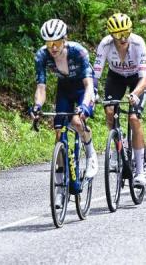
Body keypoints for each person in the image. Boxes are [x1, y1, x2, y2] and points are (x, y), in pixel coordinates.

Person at [30, 19, 97, 208]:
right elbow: (41, 88)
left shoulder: (78, 51)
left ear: (64, 40)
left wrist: (84, 106)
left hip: (84, 86)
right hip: (65, 88)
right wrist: (37, 106)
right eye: (49, 43)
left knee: (76, 121)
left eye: (57, 43)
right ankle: (60, 188)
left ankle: (91, 155)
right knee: (59, 131)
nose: (53, 47)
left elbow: (89, 86)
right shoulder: (41, 56)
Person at [94, 13, 146, 188]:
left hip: (136, 79)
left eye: (126, 33)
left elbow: (145, 78)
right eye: (118, 35)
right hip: (116, 78)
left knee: (134, 119)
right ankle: (119, 144)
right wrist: (93, 91)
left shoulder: (138, 43)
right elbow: (95, 74)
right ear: (112, 35)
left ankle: (140, 170)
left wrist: (135, 94)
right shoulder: (105, 45)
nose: (123, 38)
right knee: (110, 111)